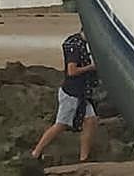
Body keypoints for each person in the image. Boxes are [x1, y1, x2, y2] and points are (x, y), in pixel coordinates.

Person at [31, 29, 100, 163]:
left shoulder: (82, 43)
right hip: (71, 93)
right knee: (61, 125)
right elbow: (72, 71)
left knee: (90, 121)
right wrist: (91, 67)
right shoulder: (74, 46)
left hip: (82, 93)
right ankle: (36, 152)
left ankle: (84, 158)